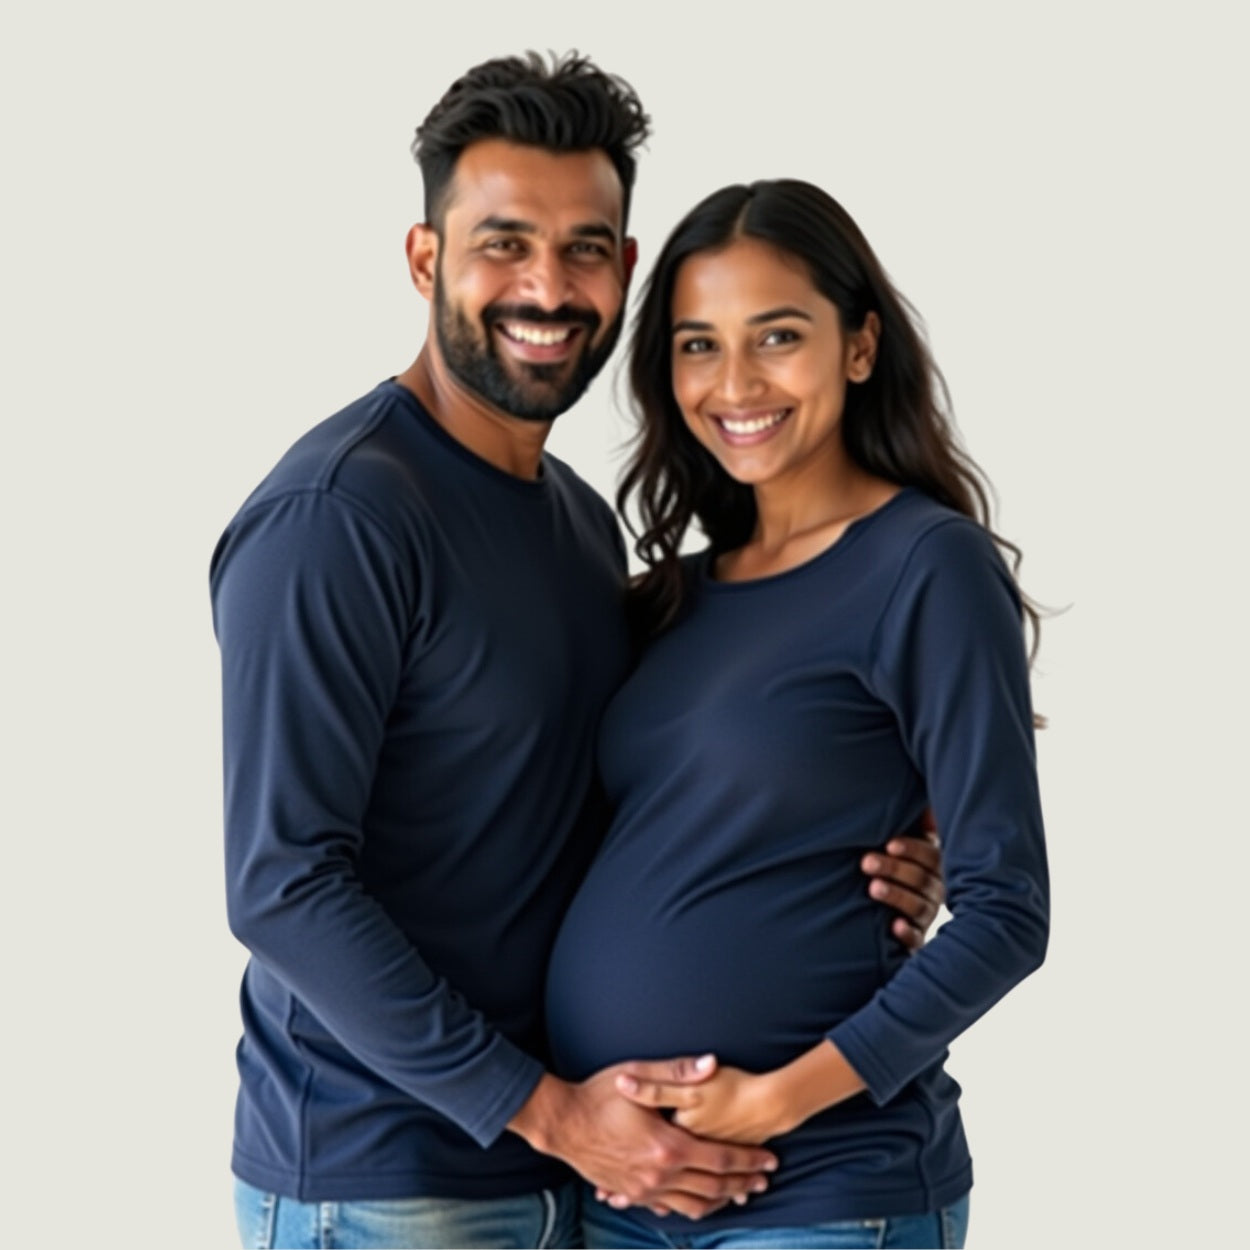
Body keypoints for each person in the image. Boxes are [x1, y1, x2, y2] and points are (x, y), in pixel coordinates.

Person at [211, 55, 945, 1250]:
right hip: (389, 1175)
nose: (546, 287)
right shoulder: (339, 517)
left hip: (583, 1177)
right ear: (424, 258)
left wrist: (859, 860)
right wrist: (553, 1113)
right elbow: (282, 883)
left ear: (626, 267)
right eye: (502, 243)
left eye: (584, 248)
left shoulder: (575, 521)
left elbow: (621, 798)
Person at [543, 179, 1050, 1249]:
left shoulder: (925, 566)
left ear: (858, 346)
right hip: (627, 1190)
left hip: (824, 1186)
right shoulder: (671, 598)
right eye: (698, 345)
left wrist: (774, 1099)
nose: (734, 382)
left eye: (777, 336)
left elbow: (1007, 911)